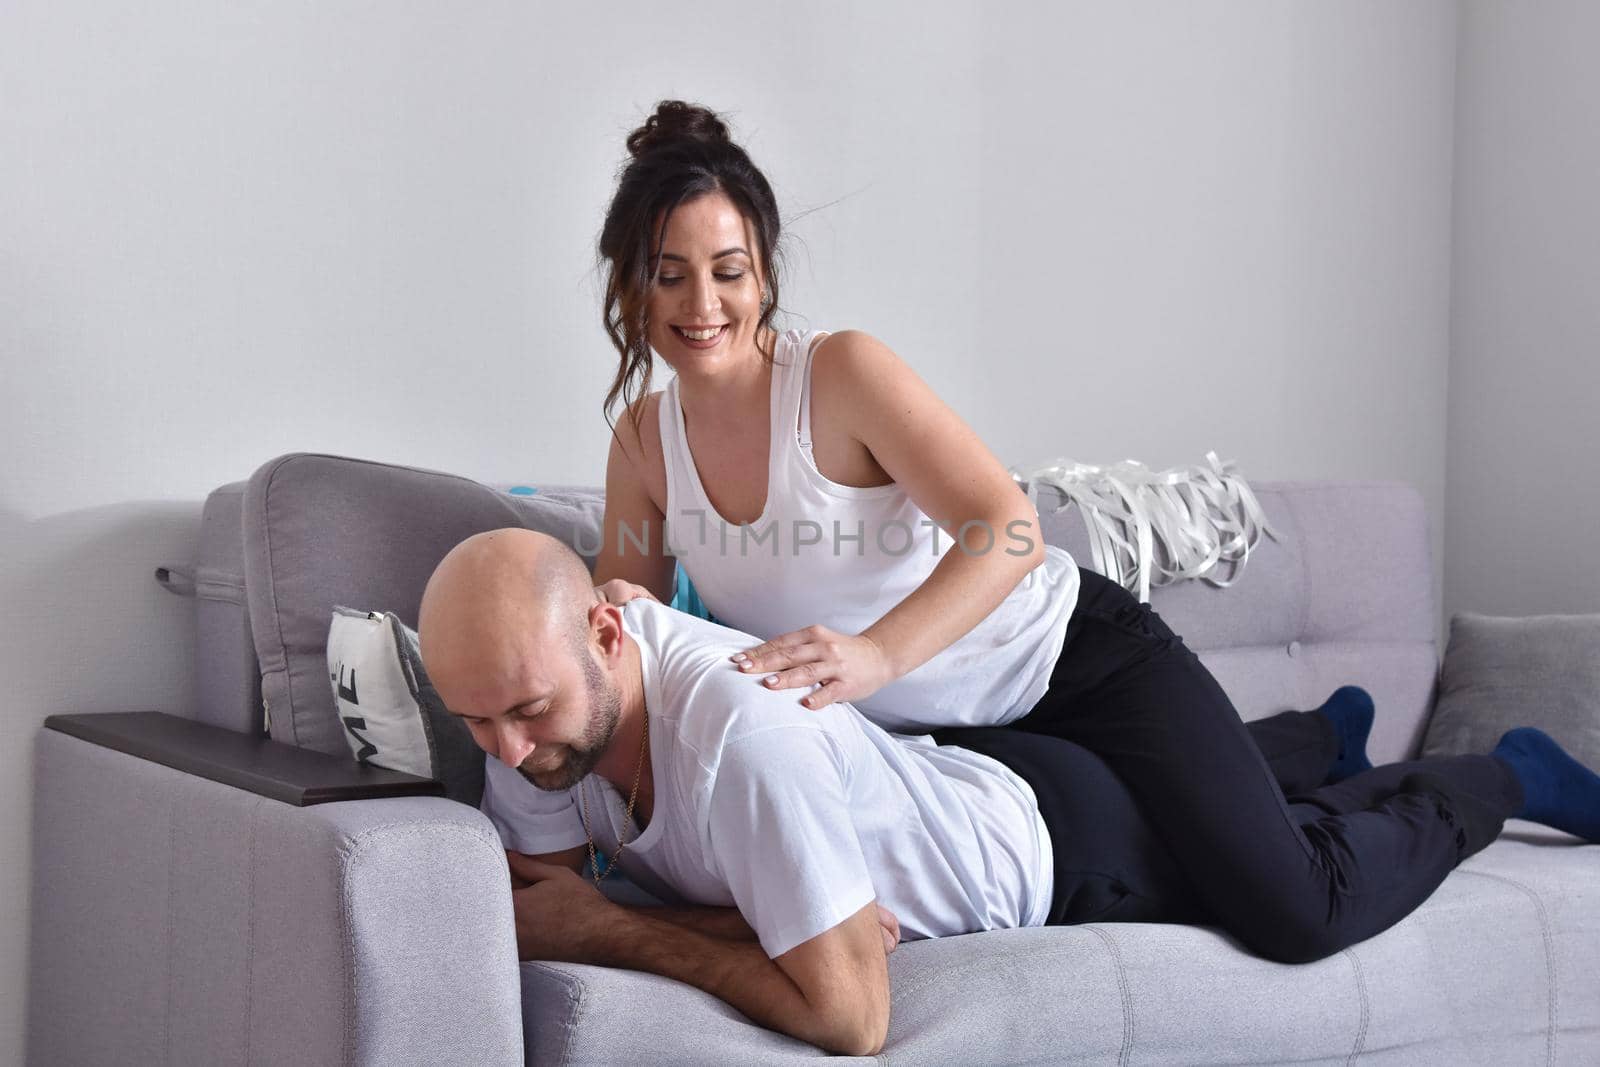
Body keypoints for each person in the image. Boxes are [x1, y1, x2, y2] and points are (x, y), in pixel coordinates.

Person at [584, 99, 1600, 965]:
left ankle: (1502, 772)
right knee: (1168, 854)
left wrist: (874, 653)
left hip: (1074, 665)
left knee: (1293, 906)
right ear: (632, 281)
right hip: (958, 747)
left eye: (728, 269)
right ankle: (1310, 740)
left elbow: (1007, 526)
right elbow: (631, 658)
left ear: (765, 271)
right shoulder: (643, 441)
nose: (701, 302)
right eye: (668, 274)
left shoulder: (839, 376)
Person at [418, 529, 1600, 1055]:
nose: (511, 754)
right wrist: (753, 926)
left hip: (1052, 855)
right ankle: (1307, 736)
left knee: (1306, 883)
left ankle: (1499, 772)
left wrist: (622, 927)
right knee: (1235, 805)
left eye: (527, 711)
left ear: (609, 631)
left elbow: (850, 1014)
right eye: (477, 718)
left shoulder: (737, 737)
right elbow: (537, 905)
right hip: (977, 776)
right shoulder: (529, 700)